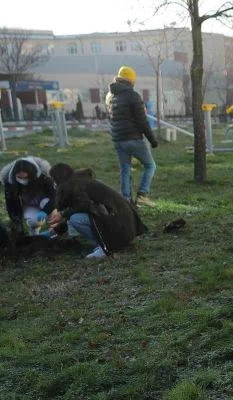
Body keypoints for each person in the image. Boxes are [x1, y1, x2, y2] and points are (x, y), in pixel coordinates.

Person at [47, 163, 147, 259]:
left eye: (53, 179)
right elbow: (79, 207)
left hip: (118, 223)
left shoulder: (77, 186)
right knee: (74, 215)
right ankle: (103, 243)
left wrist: (62, 214)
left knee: (76, 219)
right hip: (123, 221)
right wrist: (57, 230)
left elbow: (84, 207)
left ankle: (104, 247)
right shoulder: (80, 182)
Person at [105, 65, 159, 207]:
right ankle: (142, 195)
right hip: (132, 138)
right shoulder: (133, 96)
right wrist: (152, 140)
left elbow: (111, 118)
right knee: (150, 165)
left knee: (125, 168)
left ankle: (126, 201)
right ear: (131, 81)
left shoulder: (109, 96)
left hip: (118, 139)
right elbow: (142, 121)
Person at [0, 156, 56, 236]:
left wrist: (45, 211)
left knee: (47, 204)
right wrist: (17, 224)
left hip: (45, 203)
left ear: (32, 174)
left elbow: (54, 198)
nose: (22, 180)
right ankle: (34, 234)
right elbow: (11, 205)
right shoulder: (10, 183)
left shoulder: (44, 178)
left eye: (25, 177)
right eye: (19, 177)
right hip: (29, 205)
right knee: (33, 221)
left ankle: (53, 230)